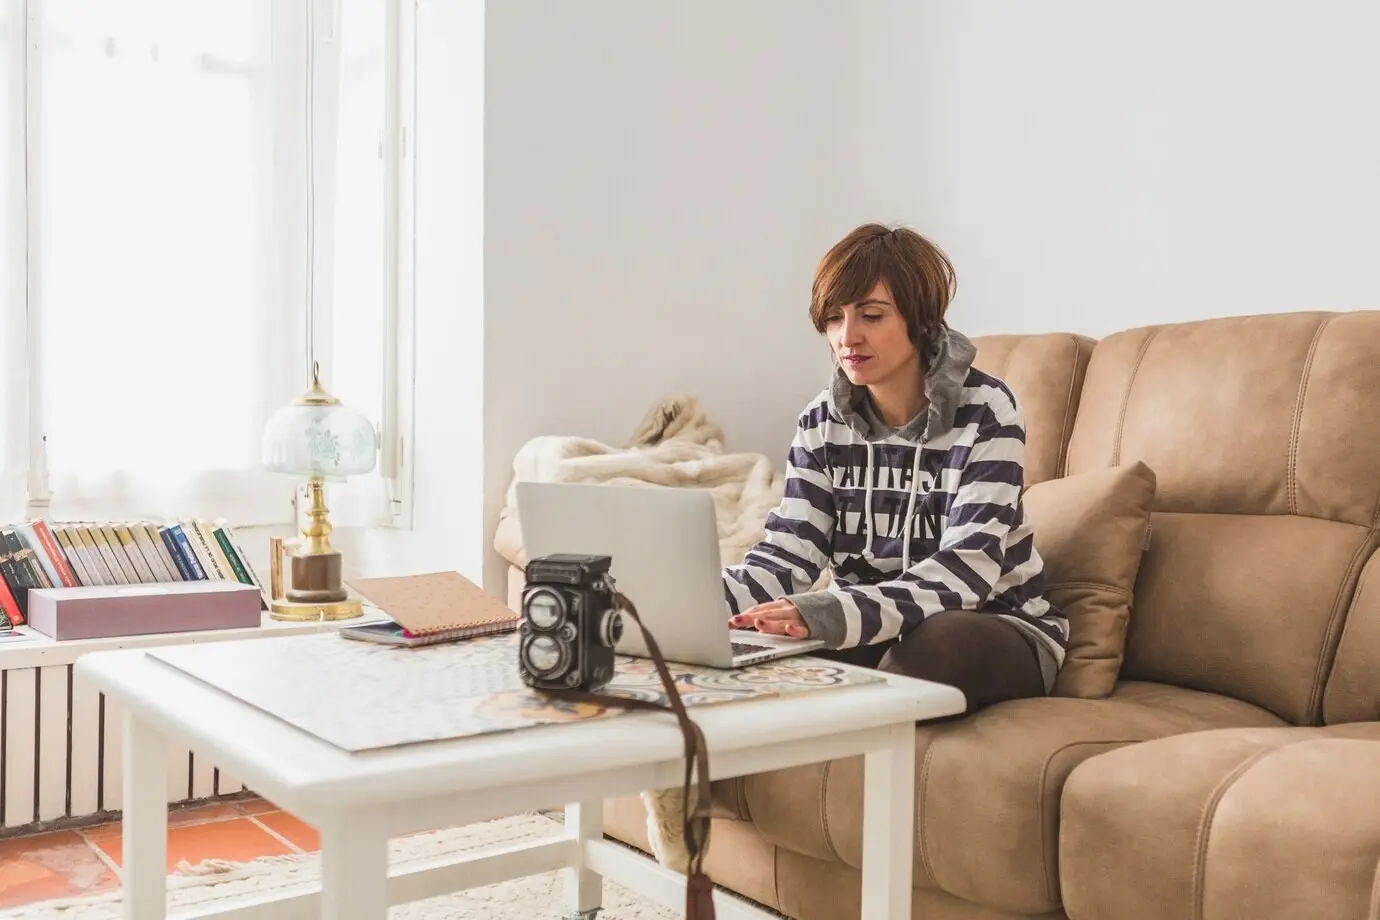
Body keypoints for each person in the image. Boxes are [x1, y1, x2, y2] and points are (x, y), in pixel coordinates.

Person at [722, 223, 1067, 712]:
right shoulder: (821, 421)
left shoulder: (986, 409)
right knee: (756, 650)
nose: (848, 337)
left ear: (921, 320)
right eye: (834, 319)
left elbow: (965, 572)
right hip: (873, 624)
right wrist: (696, 602)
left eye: (871, 315)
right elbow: (787, 557)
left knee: (938, 642)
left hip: (993, 623)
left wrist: (832, 613)